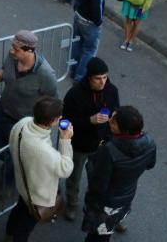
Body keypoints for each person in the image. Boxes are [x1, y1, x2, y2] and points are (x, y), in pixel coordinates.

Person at [0, 31, 57, 193]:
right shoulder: (13, 58)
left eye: (16, 49)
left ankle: (8, 180)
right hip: (3, 110)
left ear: (29, 50)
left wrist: (41, 125)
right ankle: (17, 163)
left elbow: (51, 101)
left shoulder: (45, 74)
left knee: (14, 152)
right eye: (12, 47)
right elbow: (4, 70)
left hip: (22, 121)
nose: (11, 51)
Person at [82, 106, 156, 241]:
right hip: (126, 195)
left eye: (113, 121)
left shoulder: (109, 151)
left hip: (106, 202)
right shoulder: (150, 142)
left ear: (125, 130)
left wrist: (91, 163)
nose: (109, 120)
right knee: (109, 225)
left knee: (98, 236)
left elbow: (98, 186)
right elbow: (150, 165)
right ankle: (115, 223)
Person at [6, 96, 74, 241]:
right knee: (25, 226)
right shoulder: (43, 151)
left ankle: (9, 233)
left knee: (20, 209)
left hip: (23, 184)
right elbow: (66, 169)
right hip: (37, 195)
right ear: (53, 121)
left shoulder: (23, 123)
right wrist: (65, 140)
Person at [63, 57, 120, 222]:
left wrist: (112, 124)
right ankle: (72, 205)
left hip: (102, 145)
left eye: (105, 77)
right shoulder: (75, 94)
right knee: (74, 178)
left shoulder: (112, 90)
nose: (102, 82)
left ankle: (93, 205)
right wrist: (90, 120)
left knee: (98, 179)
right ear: (89, 77)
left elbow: (115, 110)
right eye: (98, 78)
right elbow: (65, 121)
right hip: (80, 145)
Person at [71, 0, 109, 82]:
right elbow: (96, 6)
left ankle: (72, 70)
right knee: (89, 50)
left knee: (77, 44)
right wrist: (99, 22)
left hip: (78, 14)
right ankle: (80, 77)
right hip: (89, 21)